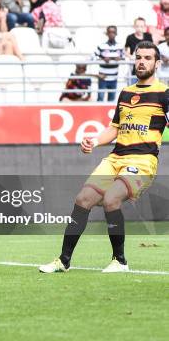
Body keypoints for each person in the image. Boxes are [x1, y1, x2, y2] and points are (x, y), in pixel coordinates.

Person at [39, 41, 167, 274]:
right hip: (115, 157)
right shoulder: (126, 92)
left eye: (148, 58)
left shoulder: (164, 93)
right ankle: (63, 260)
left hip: (142, 161)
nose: (141, 61)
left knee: (111, 199)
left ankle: (120, 261)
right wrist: (95, 141)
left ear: (157, 63)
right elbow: (115, 128)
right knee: (83, 200)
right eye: (139, 57)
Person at [94, 26, 124, 102]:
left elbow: (124, 58)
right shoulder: (101, 46)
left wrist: (119, 59)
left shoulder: (120, 46)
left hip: (114, 77)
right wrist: (103, 59)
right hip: (103, 77)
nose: (111, 34)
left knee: (111, 100)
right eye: (109, 32)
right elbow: (93, 57)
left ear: (116, 33)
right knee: (100, 99)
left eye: (113, 32)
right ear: (107, 34)